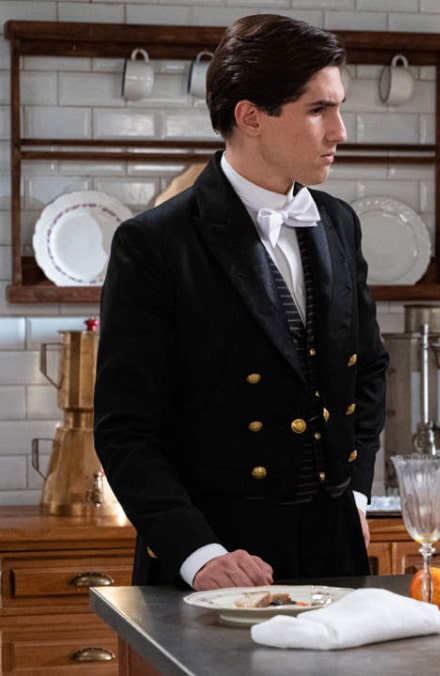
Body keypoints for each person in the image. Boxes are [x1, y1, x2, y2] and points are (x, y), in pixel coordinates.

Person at [93, 14, 388, 591]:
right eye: (318, 109)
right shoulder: (154, 243)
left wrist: (353, 490)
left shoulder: (339, 224)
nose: (341, 131)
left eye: (339, 107)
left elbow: (368, 371)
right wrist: (197, 553)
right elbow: (125, 430)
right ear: (250, 116)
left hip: (334, 546)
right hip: (220, 558)